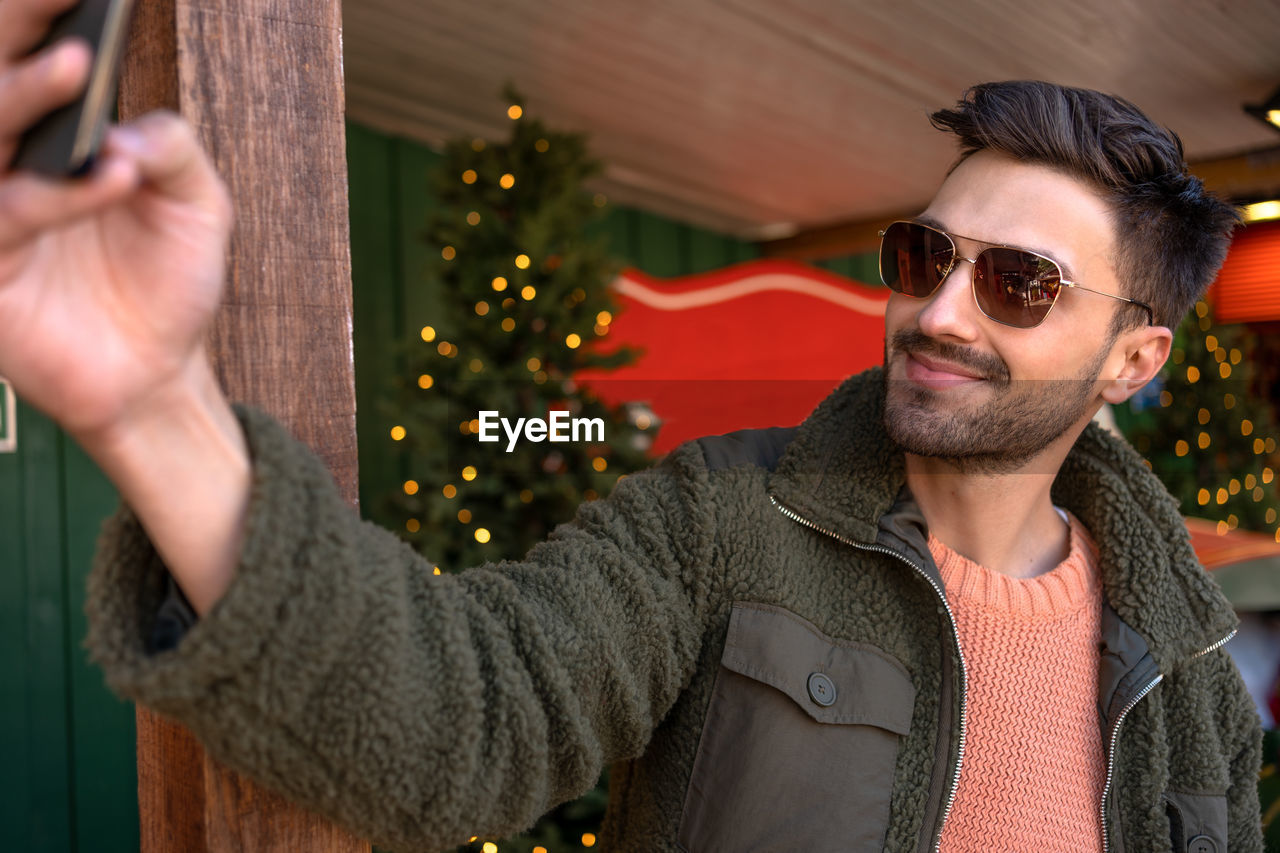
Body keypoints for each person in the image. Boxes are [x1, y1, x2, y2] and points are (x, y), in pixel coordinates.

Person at [0, 1, 1263, 850]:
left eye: (1016, 282)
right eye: (922, 252)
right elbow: (462, 714)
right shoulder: (719, 520)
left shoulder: (1189, 661)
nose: (935, 310)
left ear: (1131, 356)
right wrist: (154, 404)